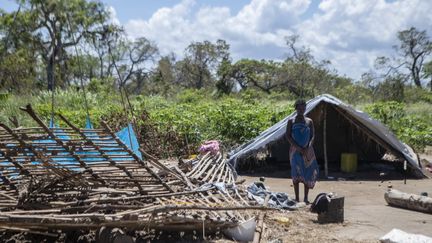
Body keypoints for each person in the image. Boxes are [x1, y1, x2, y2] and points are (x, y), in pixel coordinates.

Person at [285, 99, 319, 203]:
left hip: (308, 151)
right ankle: (296, 198)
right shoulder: (291, 121)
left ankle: (306, 198)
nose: (301, 110)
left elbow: (312, 136)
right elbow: (288, 136)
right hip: (295, 151)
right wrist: (298, 147)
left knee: (307, 173)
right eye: (299, 108)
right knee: (296, 173)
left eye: (303, 108)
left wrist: (308, 146)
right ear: (296, 109)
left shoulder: (309, 121)